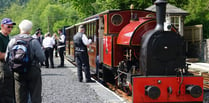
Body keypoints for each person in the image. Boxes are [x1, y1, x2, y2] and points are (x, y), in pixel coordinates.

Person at [5, 20, 45, 103]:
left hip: (18, 71)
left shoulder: (12, 41)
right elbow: (42, 58)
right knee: (35, 95)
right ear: (30, 30)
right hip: (33, 70)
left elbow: (6, 58)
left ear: (20, 29)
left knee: (20, 96)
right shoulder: (33, 41)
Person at [0, 18, 16, 103]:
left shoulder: (7, 37)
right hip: (2, 67)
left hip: (8, 66)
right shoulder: (0, 37)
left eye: (11, 27)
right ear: (2, 26)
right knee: (4, 91)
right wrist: (13, 56)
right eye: (8, 26)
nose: (10, 29)